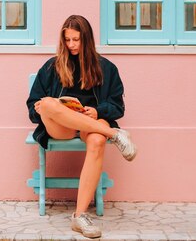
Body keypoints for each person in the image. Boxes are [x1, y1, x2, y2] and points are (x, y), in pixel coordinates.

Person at [26, 14, 137, 238]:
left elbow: (117, 106)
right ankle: (114, 134)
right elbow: (32, 105)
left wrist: (98, 111)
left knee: (96, 140)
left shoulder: (106, 68)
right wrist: (48, 109)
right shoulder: (51, 67)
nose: (71, 45)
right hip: (62, 128)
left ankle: (79, 217)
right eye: (67, 40)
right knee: (48, 103)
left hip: (93, 123)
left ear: (86, 39)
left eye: (76, 40)